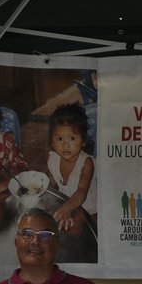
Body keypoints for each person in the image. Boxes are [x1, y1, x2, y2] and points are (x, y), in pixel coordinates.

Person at [46, 102, 97, 239]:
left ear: (83, 141)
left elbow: (81, 192)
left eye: (72, 138)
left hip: (89, 212)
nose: (66, 145)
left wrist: (66, 208)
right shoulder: (53, 159)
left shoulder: (86, 163)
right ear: (52, 141)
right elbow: (52, 185)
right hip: (66, 208)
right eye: (60, 138)